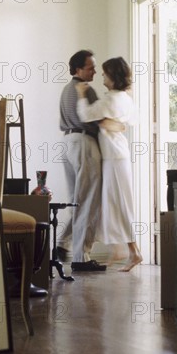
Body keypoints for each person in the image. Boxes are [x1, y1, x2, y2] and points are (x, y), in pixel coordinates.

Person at [76, 57, 143, 272]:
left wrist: (81, 96)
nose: (101, 76)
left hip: (113, 157)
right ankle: (120, 250)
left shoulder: (110, 100)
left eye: (104, 73)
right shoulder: (124, 98)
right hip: (119, 155)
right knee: (116, 203)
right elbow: (133, 121)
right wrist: (117, 124)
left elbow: (85, 115)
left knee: (120, 204)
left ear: (112, 77)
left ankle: (134, 252)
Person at [58, 49, 106, 271]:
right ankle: (81, 256)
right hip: (85, 143)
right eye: (91, 67)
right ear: (78, 69)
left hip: (67, 144)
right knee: (87, 201)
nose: (95, 71)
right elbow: (96, 121)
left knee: (75, 200)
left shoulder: (66, 90)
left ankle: (62, 244)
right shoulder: (86, 90)